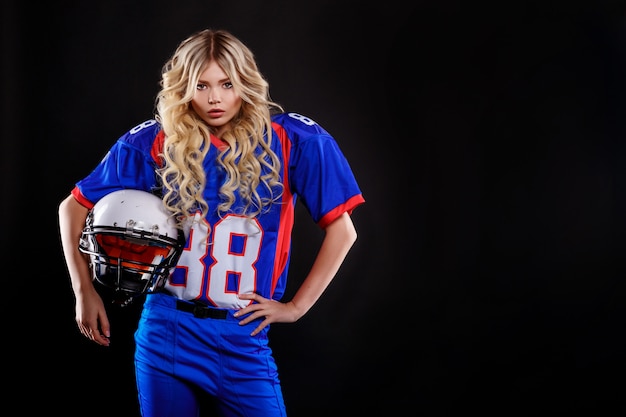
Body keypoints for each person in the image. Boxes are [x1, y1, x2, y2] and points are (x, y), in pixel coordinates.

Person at [58, 28, 365, 417]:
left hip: (242, 335)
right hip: (166, 329)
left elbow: (343, 231)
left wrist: (296, 308)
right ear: (183, 87)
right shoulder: (157, 140)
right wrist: (83, 290)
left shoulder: (293, 140)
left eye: (227, 84)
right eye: (200, 85)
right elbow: (73, 206)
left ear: (246, 84)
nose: (214, 97)